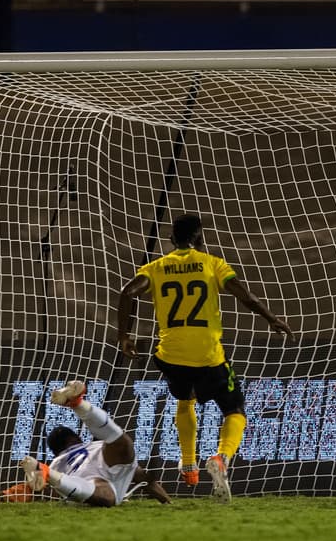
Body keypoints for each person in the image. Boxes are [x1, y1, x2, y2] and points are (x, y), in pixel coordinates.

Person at [116, 213, 295, 501]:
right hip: (208, 356)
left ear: (172, 239)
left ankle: (188, 464)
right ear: (200, 238)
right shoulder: (213, 264)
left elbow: (127, 293)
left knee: (184, 399)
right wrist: (271, 319)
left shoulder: (155, 267)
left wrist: (124, 336)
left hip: (170, 355)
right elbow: (244, 296)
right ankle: (221, 458)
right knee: (234, 409)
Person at [20, 380, 171, 507]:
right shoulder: (92, 445)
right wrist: (165, 501)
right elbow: (143, 476)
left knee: (103, 494)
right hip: (104, 455)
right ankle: (79, 403)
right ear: (76, 438)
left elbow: (48, 493)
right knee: (118, 441)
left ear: (55, 450)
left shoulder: (56, 463)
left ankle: (47, 472)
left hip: (79, 480)